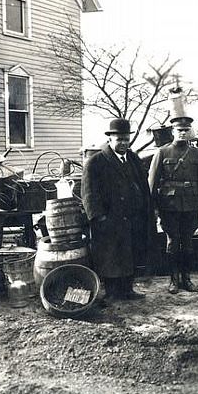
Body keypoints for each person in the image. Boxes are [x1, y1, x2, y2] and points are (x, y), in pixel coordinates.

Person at [82, 118, 153, 301]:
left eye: (126, 139)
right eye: (119, 139)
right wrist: (99, 218)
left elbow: (143, 186)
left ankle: (127, 290)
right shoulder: (95, 162)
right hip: (109, 218)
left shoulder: (134, 159)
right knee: (111, 256)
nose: (123, 143)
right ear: (110, 139)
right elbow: (89, 193)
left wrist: (146, 210)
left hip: (131, 217)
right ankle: (112, 292)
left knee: (128, 253)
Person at [148, 116, 198, 294]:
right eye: (179, 130)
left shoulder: (196, 154)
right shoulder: (162, 152)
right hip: (169, 205)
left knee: (188, 243)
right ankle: (174, 279)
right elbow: (152, 182)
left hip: (191, 203)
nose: (182, 133)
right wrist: (154, 208)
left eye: (186, 130)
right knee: (172, 242)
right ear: (173, 132)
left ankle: (186, 278)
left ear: (189, 132)